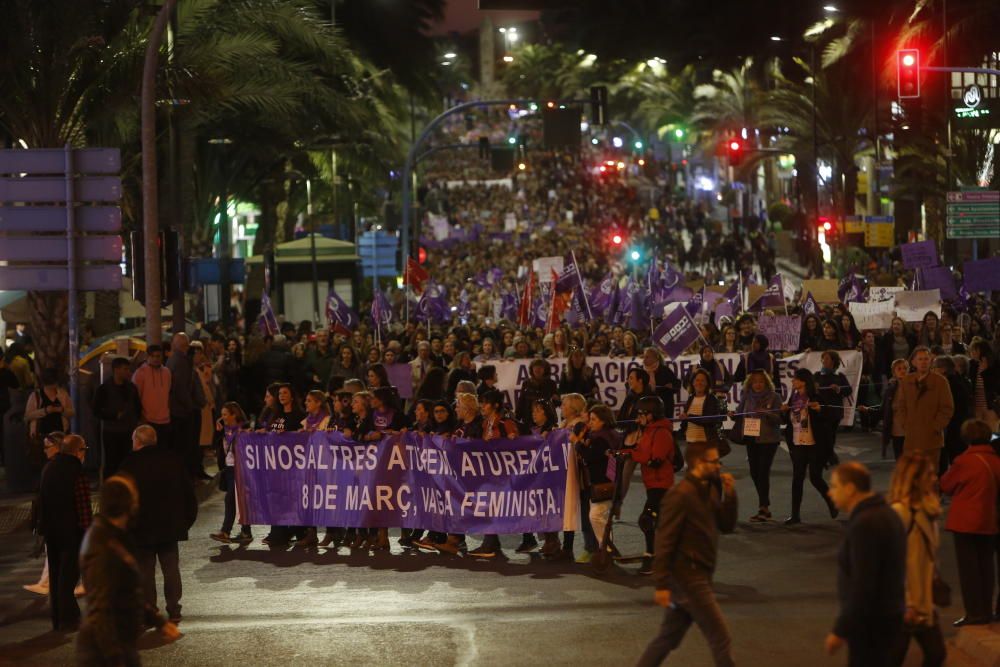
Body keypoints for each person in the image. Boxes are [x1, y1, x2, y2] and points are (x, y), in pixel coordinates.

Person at [636, 441, 737, 667]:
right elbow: (665, 540)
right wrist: (661, 583)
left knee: (666, 639)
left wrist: (730, 496)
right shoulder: (679, 495)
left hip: (696, 576)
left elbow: (727, 525)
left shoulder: (708, 490)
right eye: (714, 461)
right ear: (699, 463)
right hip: (689, 580)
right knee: (720, 638)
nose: (719, 466)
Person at [76, 476, 181, 666]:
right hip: (105, 652)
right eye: (134, 497)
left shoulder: (115, 536)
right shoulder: (104, 545)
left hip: (120, 643)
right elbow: (101, 610)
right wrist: (115, 657)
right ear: (126, 503)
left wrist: (159, 622)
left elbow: (127, 591)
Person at [825, 462, 906, 666]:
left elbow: (863, 583)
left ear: (850, 488)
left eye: (834, 486)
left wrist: (840, 630)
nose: (829, 492)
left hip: (871, 622)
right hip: (889, 616)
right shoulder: (887, 513)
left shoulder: (865, 523)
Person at [118, 425, 198, 624]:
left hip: (141, 529)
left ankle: (149, 610)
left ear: (137, 441)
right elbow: (189, 493)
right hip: (170, 528)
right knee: (171, 568)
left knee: (145, 571)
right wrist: (186, 522)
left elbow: (121, 498)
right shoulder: (173, 460)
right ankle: (174, 608)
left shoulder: (129, 464)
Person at [887, 453, 946, 667]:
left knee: (935, 654)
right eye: (929, 474)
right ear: (915, 478)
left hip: (923, 601)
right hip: (904, 603)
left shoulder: (927, 510)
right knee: (894, 657)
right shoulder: (900, 513)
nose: (935, 478)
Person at [939, 419, 1000, 627]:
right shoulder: (995, 461)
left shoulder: (964, 461)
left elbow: (946, 485)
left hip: (965, 522)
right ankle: (987, 609)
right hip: (989, 519)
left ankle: (974, 613)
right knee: (986, 568)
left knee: (969, 571)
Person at [38, 433, 91, 630]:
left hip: (51, 530)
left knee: (55, 571)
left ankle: (57, 616)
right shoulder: (76, 470)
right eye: (84, 449)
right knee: (68, 575)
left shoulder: (49, 467)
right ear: (77, 451)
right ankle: (68, 616)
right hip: (71, 531)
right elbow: (83, 505)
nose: (85, 453)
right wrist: (88, 533)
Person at [627, 395, 676, 575]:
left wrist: (632, 456)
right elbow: (639, 451)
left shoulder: (662, 432)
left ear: (652, 415)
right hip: (652, 484)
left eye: (642, 414)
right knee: (661, 523)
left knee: (647, 519)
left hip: (662, 483)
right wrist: (621, 452)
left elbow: (655, 460)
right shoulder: (647, 431)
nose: (638, 417)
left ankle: (651, 556)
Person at [782, 368, 838, 524]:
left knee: (815, 477)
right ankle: (795, 515)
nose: (792, 381)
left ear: (803, 381)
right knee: (797, 479)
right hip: (798, 443)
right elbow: (787, 421)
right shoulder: (793, 399)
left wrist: (820, 409)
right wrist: (784, 411)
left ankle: (832, 502)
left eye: (795, 379)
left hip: (815, 444)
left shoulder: (815, 397)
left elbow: (830, 417)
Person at [731, 370, 782, 522]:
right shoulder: (746, 397)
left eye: (761, 381)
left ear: (766, 383)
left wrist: (767, 413)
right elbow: (739, 414)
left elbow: (779, 419)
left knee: (763, 471)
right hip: (751, 437)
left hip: (768, 440)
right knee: (754, 473)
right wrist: (733, 415)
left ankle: (763, 507)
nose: (758, 384)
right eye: (755, 382)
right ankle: (764, 504)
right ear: (750, 384)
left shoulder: (775, 397)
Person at [576, 404, 620, 563]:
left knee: (595, 516)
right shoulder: (610, 435)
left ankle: (606, 548)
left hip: (603, 481)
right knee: (602, 517)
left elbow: (589, 456)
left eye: (594, 420)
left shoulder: (601, 438)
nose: (591, 423)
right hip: (610, 479)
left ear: (603, 421)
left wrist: (578, 443)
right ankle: (607, 547)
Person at [899, 347, 955, 467]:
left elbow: (947, 408)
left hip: (932, 439)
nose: (923, 362)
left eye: (926, 359)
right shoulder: (906, 381)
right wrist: (905, 423)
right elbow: (900, 405)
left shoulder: (940, 381)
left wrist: (936, 426)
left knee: (930, 475)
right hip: (911, 438)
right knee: (912, 474)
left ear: (931, 361)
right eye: (920, 359)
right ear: (913, 362)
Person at [166, 333, 208, 480]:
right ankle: (185, 476)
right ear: (185, 346)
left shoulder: (173, 360)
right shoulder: (181, 362)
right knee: (185, 445)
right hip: (181, 411)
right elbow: (181, 388)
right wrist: (190, 406)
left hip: (178, 409)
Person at [210, 402, 253, 545]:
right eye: (221, 415)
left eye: (225, 414)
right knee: (236, 501)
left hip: (239, 468)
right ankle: (245, 532)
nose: (222, 417)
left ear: (234, 415)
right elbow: (216, 447)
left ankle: (225, 531)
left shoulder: (243, 429)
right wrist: (218, 431)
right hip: (228, 468)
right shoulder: (225, 430)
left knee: (230, 499)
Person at [92, 356, 142, 478]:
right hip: (112, 432)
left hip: (129, 431)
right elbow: (96, 410)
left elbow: (137, 406)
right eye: (125, 369)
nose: (128, 372)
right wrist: (113, 415)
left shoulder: (131, 388)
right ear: (116, 370)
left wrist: (136, 421)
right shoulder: (103, 389)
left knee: (128, 463)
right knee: (111, 463)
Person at [934, 355, 972, 471]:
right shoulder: (959, 380)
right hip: (959, 425)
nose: (933, 370)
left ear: (943, 369)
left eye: (934, 367)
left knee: (954, 458)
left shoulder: (948, 384)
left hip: (953, 426)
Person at [24, 367, 74, 454]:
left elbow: (72, 413)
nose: (54, 386)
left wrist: (62, 410)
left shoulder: (62, 394)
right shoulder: (36, 396)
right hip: (41, 436)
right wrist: (45, 411)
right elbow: (27, 416)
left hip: (60, 435)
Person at [815, 350, 851, 468]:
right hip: (820, 412)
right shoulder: (816, 376)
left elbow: (848, 390)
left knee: (831, 436)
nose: (824, 361)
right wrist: (814, 388)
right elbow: (808, 391)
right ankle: (830, 457)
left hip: (834, 412)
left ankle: (828, 457)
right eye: (823, 358)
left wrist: (838, 389)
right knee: (824, 436)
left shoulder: (839, 376)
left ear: (833, 361)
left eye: (827, 359)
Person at [132, 344, 172, 450]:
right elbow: (136, 397)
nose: (155, 359)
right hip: (148, 419)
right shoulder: (140, 373)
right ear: (147, 357)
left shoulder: (167, 372)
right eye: (153, 356)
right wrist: (141, 418)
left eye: (158, 356)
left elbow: (168, 393)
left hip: (165, 420)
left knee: (163, 451)